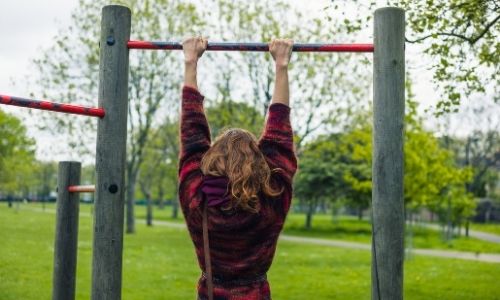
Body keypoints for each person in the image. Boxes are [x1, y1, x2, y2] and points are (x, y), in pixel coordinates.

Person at [178, 36, 297, 300]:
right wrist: (281, 65)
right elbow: (279, 136)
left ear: (211, 162)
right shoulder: (272, 197)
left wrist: (190, 62)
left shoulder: (197, 199)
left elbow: (192, 134)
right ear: (259, 165)